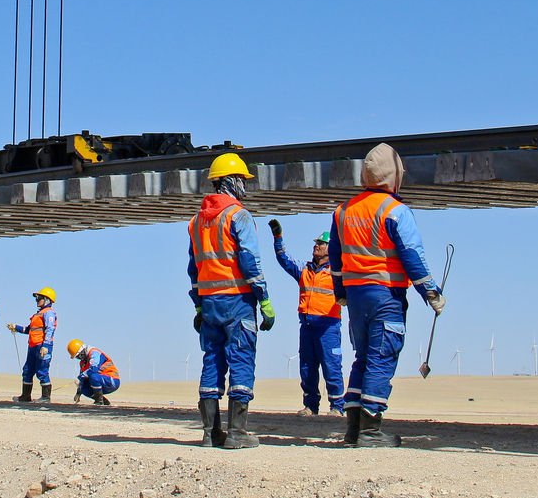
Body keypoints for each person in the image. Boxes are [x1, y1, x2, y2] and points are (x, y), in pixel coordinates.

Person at [331, 143, 443, 447]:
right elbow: (412, 255)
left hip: (355, 297)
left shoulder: (342, 211)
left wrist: (341, 292)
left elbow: (336, 257)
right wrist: (431, 292)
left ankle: (353, 429)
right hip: (385, 295)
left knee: (363, 358)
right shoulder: (396, 210)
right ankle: (370, 431)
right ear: (394, 176)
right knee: (382, 357)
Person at [188, 152, 275, 449]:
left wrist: (198, 305)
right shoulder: (239, 215)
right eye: (242, 180)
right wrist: (264, 299)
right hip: (237, 301)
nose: (244, 186)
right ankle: (237, 433)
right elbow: (250, 261)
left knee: (211, 361)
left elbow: (194, 267)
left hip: (210, 303)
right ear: (230, 181)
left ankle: (209, 434)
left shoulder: (197, 221)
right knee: (241, 361)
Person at [270, 223, 344, 416]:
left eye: (321, 243)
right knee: (307, 368)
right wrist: (278, 238)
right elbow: (284, 260)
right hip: (307, 327)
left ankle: (337, 406)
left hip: (329, 327)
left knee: (332, 367)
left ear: (331, 247)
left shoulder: (338, 272)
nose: (316, 246)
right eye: (316, 243)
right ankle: (311, 405)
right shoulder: (305, 270)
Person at [11, 288, 58, 402]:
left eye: (39, 298)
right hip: (32, 346)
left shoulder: (48, 313)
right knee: (27, 370)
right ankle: (25, 396)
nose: (37, 300)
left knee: (42, 370)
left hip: (41, 346)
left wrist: (45, 345)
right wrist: (16, 327)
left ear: (47, 300)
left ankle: (46, 397)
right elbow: (29, 329)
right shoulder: (38, 314)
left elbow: (50, 329)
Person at [68, 339, 120, 404]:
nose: (79, 358)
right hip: (99, 382)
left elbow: (93, 369)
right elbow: (82, 380)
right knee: (84, 388)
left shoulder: (94, 353)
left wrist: (81, 376)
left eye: (79, 356)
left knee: (93, 376)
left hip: (112, 380)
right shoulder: (82, 363)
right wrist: (78, 392)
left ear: (82, 351)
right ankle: (104, 401)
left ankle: (99, 401)